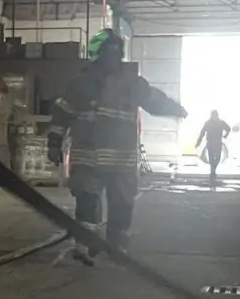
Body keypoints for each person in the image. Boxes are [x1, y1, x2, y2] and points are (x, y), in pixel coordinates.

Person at [47, 29, 187, 264]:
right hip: (92, 157)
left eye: (116, 51)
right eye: (109, 51)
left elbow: (154, 100)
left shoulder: (130, 83)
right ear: (100, 54)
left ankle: (113, 244)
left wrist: (175, 109)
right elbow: (61, 114)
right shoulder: (82, 83)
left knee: (120, 202)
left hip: (116, 159)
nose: (113, 56)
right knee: (89, 200)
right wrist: (53, 143)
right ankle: (88, 244)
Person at [195, 110, 232, 188]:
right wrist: (225, 136)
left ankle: (213, 170)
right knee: (215, 158)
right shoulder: (220, 122)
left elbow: (202, 133)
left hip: (212, 143)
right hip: (216, 143)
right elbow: (228, 129)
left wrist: (198, 143)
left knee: (213, 157)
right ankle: (213, 170)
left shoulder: (209, 123)